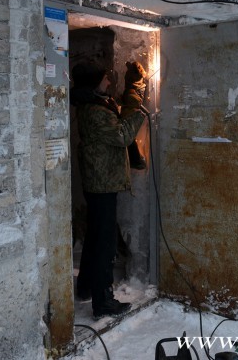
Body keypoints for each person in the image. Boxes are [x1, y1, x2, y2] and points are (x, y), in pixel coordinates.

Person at [71, 60, 146, 318]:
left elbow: (119, 115)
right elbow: (122, 135)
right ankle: (103, 301)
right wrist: (139, 114)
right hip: (101, 185)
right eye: (104, 78)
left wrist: (133, 90)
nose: (108, 82)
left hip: (100, 183)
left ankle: (86, 288)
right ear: (94, 82)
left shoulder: (97, 103)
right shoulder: (94, 110)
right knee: (104, 244)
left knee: (95, 238)